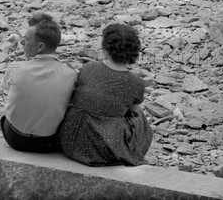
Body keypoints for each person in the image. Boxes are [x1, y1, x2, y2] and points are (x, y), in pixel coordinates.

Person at [59, 23, 153, 166]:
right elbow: (134, 112)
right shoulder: (136, 82)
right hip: (103, 148)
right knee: (140, 118)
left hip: (69, 138)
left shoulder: (89, 67)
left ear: (106, 48)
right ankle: (132, 152)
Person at [1, 12, 76, 153]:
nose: (22, 43)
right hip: (48, 143)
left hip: (15, 139)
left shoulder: (14, 68)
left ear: (40, 47)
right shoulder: (70, 73)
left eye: (27, 40)